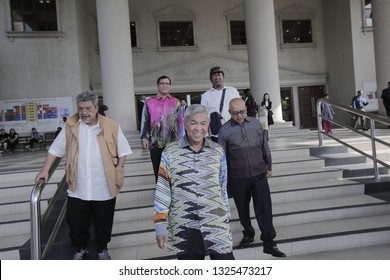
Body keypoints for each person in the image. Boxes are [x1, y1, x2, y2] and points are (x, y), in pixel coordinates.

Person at [35, 91, 132, 260]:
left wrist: (118, 168)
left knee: (104, 222)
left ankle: (102, 249)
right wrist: (45, 170)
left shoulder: (111, 126)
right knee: (76, 223)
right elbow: (55, 150)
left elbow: (123, 150)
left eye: (88, 108)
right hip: (78, 186)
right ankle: (81, 249)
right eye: (81, 108)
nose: (84, 112)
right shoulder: (71, 127)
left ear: (96, 108)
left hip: (104, 185)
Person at [153, 104, 234, 260]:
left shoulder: (217, 151)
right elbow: (163, 190)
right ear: (185, 123)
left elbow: (222, 187)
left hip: (216, 224)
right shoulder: (170, 152)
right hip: (184, 225)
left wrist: (226, 217)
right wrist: (160, 224)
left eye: (203, 123)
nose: (199, 128)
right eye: (194, 123)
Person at [218, 98, 286, 258]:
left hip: (259, 174)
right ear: (229, 113)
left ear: (246, 110)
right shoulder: (224, 130)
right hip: (238, 177)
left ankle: (269, 243)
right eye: (235, 113)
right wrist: (224, 180)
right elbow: (221, 158)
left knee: (264, 209)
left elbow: (264, 146)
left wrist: (268, 166)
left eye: (242, 112)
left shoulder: (255, 124)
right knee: (242, 209)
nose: (239, 116)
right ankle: (248, 234)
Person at [141, 75, 185, 182]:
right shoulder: (149, 102)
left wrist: (182, 141)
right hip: (154, 143)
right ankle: (161, 196)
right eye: (162, 83)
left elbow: (180, 122)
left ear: (170, 86)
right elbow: (145, 120)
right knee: (158, 171)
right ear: (157, 86)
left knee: (172, 171)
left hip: (172, 143)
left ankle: (173, 194)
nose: (165, 85)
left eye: (167, 83)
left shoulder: (176, 102)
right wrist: (144, 137)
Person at [201, 66, 240, 142]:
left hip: (234, 130)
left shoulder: (232, 91)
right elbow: (204, 116)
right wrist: (205, 135)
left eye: (219, 75)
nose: (217, 77)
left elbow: (240, 108)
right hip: (216, 134)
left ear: (223, 77)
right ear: (211, 79)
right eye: (214, 76)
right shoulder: (206, 96)